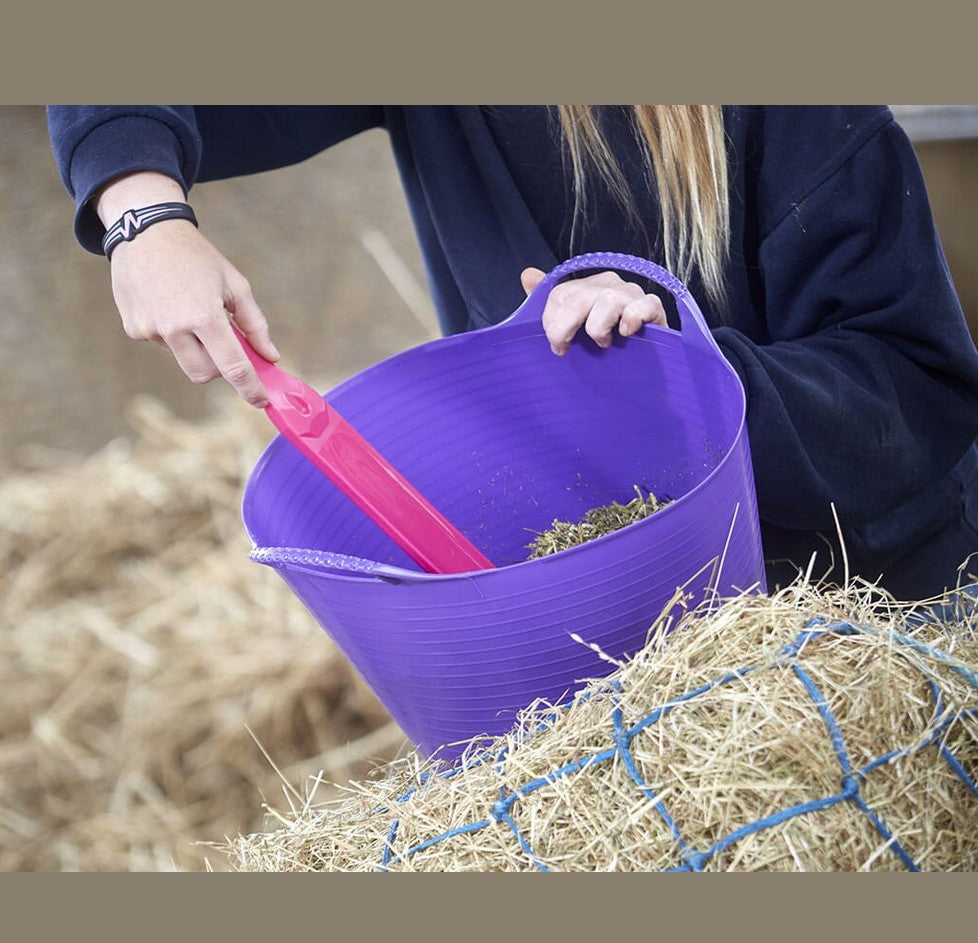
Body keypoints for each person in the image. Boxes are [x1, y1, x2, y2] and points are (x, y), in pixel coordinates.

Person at [46, 105, 978, 601]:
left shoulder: (807, 101)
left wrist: (682, 369)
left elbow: (914, 390)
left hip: (849, 610)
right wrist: (143, 211)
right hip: (592, 626)